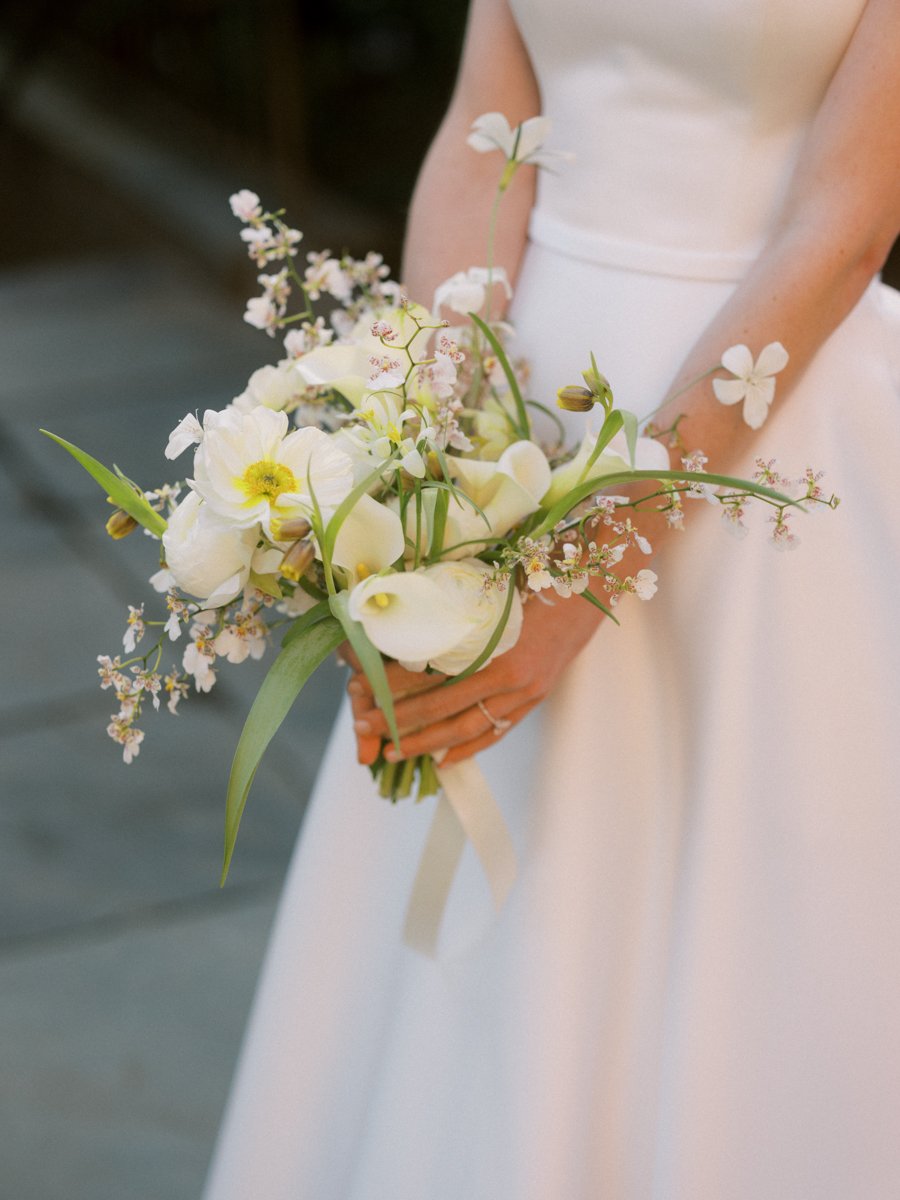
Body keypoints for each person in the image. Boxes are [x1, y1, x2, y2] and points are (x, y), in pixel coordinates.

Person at [204, 1, 900, 1196]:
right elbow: (485, 135)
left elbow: (845, 224)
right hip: (531, 385)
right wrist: (427, 455)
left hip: (767, 435)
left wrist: (592, 567)